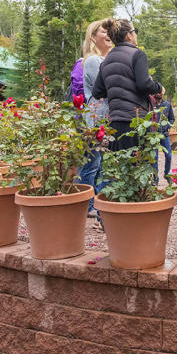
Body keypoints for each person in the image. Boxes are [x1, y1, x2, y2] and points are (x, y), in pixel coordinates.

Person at [92, 18, 164, 153]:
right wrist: (159, 88)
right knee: (138, 166)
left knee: (120, 167)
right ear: (128, 36)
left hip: (114, 122)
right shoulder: (137, 55)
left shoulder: (106, 61)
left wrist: (116, 88)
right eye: (134, 31)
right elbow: (144, 84)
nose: (136, 34)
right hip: (135, 120)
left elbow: (97, 92)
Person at [78, 19, 112, 214]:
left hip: (105, 116)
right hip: (96, 117)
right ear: (92, 37)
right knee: (93, 163)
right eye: (103, 31)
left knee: (101, 163)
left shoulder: (106, 59)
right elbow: (104, 88)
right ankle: (89, 205)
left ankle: (99, 203)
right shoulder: (92, 60)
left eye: (110, 32)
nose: (108, 35)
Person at [150, 94, 175, 179]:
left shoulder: (167, 105)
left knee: (169, 155)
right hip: (154, 135)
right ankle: (155, 178)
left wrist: (167, 127)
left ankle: (167, 174)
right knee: (155, 157)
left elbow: (172, 119)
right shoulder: (151, 105)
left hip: (164, 134)